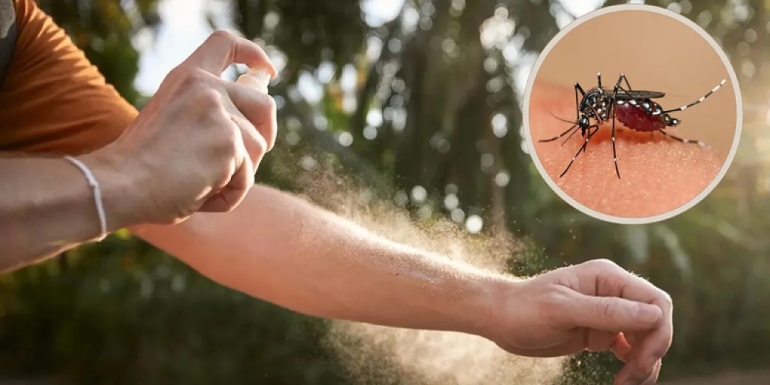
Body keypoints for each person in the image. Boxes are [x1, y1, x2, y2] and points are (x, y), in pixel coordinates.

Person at [0, 1, 672, 384]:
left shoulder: (18, 31)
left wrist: (499, 300)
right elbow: (133, 181)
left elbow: (209, 215)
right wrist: (121, 180)